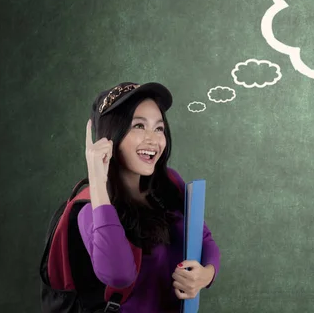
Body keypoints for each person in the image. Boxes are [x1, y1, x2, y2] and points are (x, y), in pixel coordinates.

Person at [78, 81, 220, 312]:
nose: (153, 140)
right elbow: (119, 275)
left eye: (159, 128)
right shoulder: (89, 210)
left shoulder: (170, 184)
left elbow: (204, 240)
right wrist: (97, 180)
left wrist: (206, 274)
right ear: (110, 135)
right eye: (138, 126)